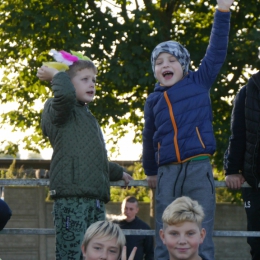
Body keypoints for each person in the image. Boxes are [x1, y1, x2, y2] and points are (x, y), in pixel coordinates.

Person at [142, 0, 234, 259]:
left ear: (183, 65)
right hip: (167, 171)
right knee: (164, 227)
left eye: (171, 59)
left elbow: (216, 50)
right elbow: (149, 137)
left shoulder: (199, 82)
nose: (165, 64)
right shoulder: (153, 99)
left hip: (198, 167)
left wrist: (222, 11)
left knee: (200, 229)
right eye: (159, 62)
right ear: (155, 71)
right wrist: (150, 170)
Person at [36, 50, 133, 260]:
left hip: (95, 201)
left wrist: (118, 172)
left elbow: (95, 158)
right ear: (68, 83)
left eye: (94, 80)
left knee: (97, 254)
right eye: (85, 79)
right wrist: (56, 75)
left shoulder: (89, 118)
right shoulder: (58, 109)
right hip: (71, 200)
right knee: (71, 254)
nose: (92, 84)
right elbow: (65, 95)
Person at [224, 70, 260, 260]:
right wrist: (232, 170)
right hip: (255, 184)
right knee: (257, 243)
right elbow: (237, 135)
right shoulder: (247, 92)